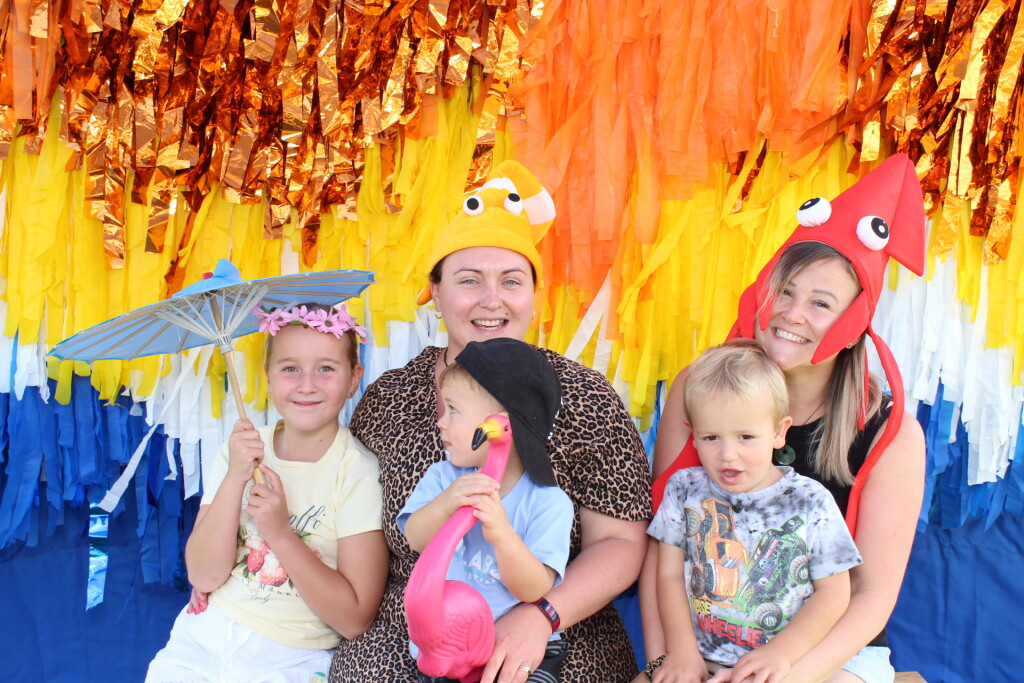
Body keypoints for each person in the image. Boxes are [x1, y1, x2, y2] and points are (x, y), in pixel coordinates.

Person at [330, 160, 652, 683]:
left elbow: (620, 542)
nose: (491, 300)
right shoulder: (390, 399)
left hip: (553, 629)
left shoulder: (584, 397)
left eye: (511, 281)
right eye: (469, 281)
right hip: (414, 628)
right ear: (436, 293)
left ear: (534, 297)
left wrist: (541, 616)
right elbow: (351, 527)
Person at [638, 154, 927, 683]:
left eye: (821, 303)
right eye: (785, 290)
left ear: (854, 320)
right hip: (709, 642)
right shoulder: (700, 388)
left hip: (826, 651)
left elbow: (870, 595)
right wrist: (664, 662)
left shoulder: (890, 434)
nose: (791, 314)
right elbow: (666, 548)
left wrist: (787, 674)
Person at [147, 303, 389, 682]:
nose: (307, 384)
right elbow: (204, 576)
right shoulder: (240, 451)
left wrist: (280, 534)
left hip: (290, 658)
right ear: (268, 377)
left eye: (326, 369)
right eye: (290, 368)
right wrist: (235, 477)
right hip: (202, 641)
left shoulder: (357, 473)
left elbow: (354, 619)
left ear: (354, 378)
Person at [648, 340, 862, 683]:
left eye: (745, 437)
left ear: (779, 431)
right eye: (711, 437)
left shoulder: (810, 501)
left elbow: (834, 594)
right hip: (701, 659)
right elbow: (669, 575)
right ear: (693, 433)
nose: (727, 454)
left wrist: (780, 655)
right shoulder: (684, 489)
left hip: (786, 664)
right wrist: (682, 651)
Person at [400, 338, 575, 682]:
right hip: (444, 645)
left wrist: (503, 536)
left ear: (498, 426)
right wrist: (446, 505)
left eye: (453, 410)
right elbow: (415, 539)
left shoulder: (548, 503)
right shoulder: (443, 478)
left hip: (511, 653)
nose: (441, 422)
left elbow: (533, 590)